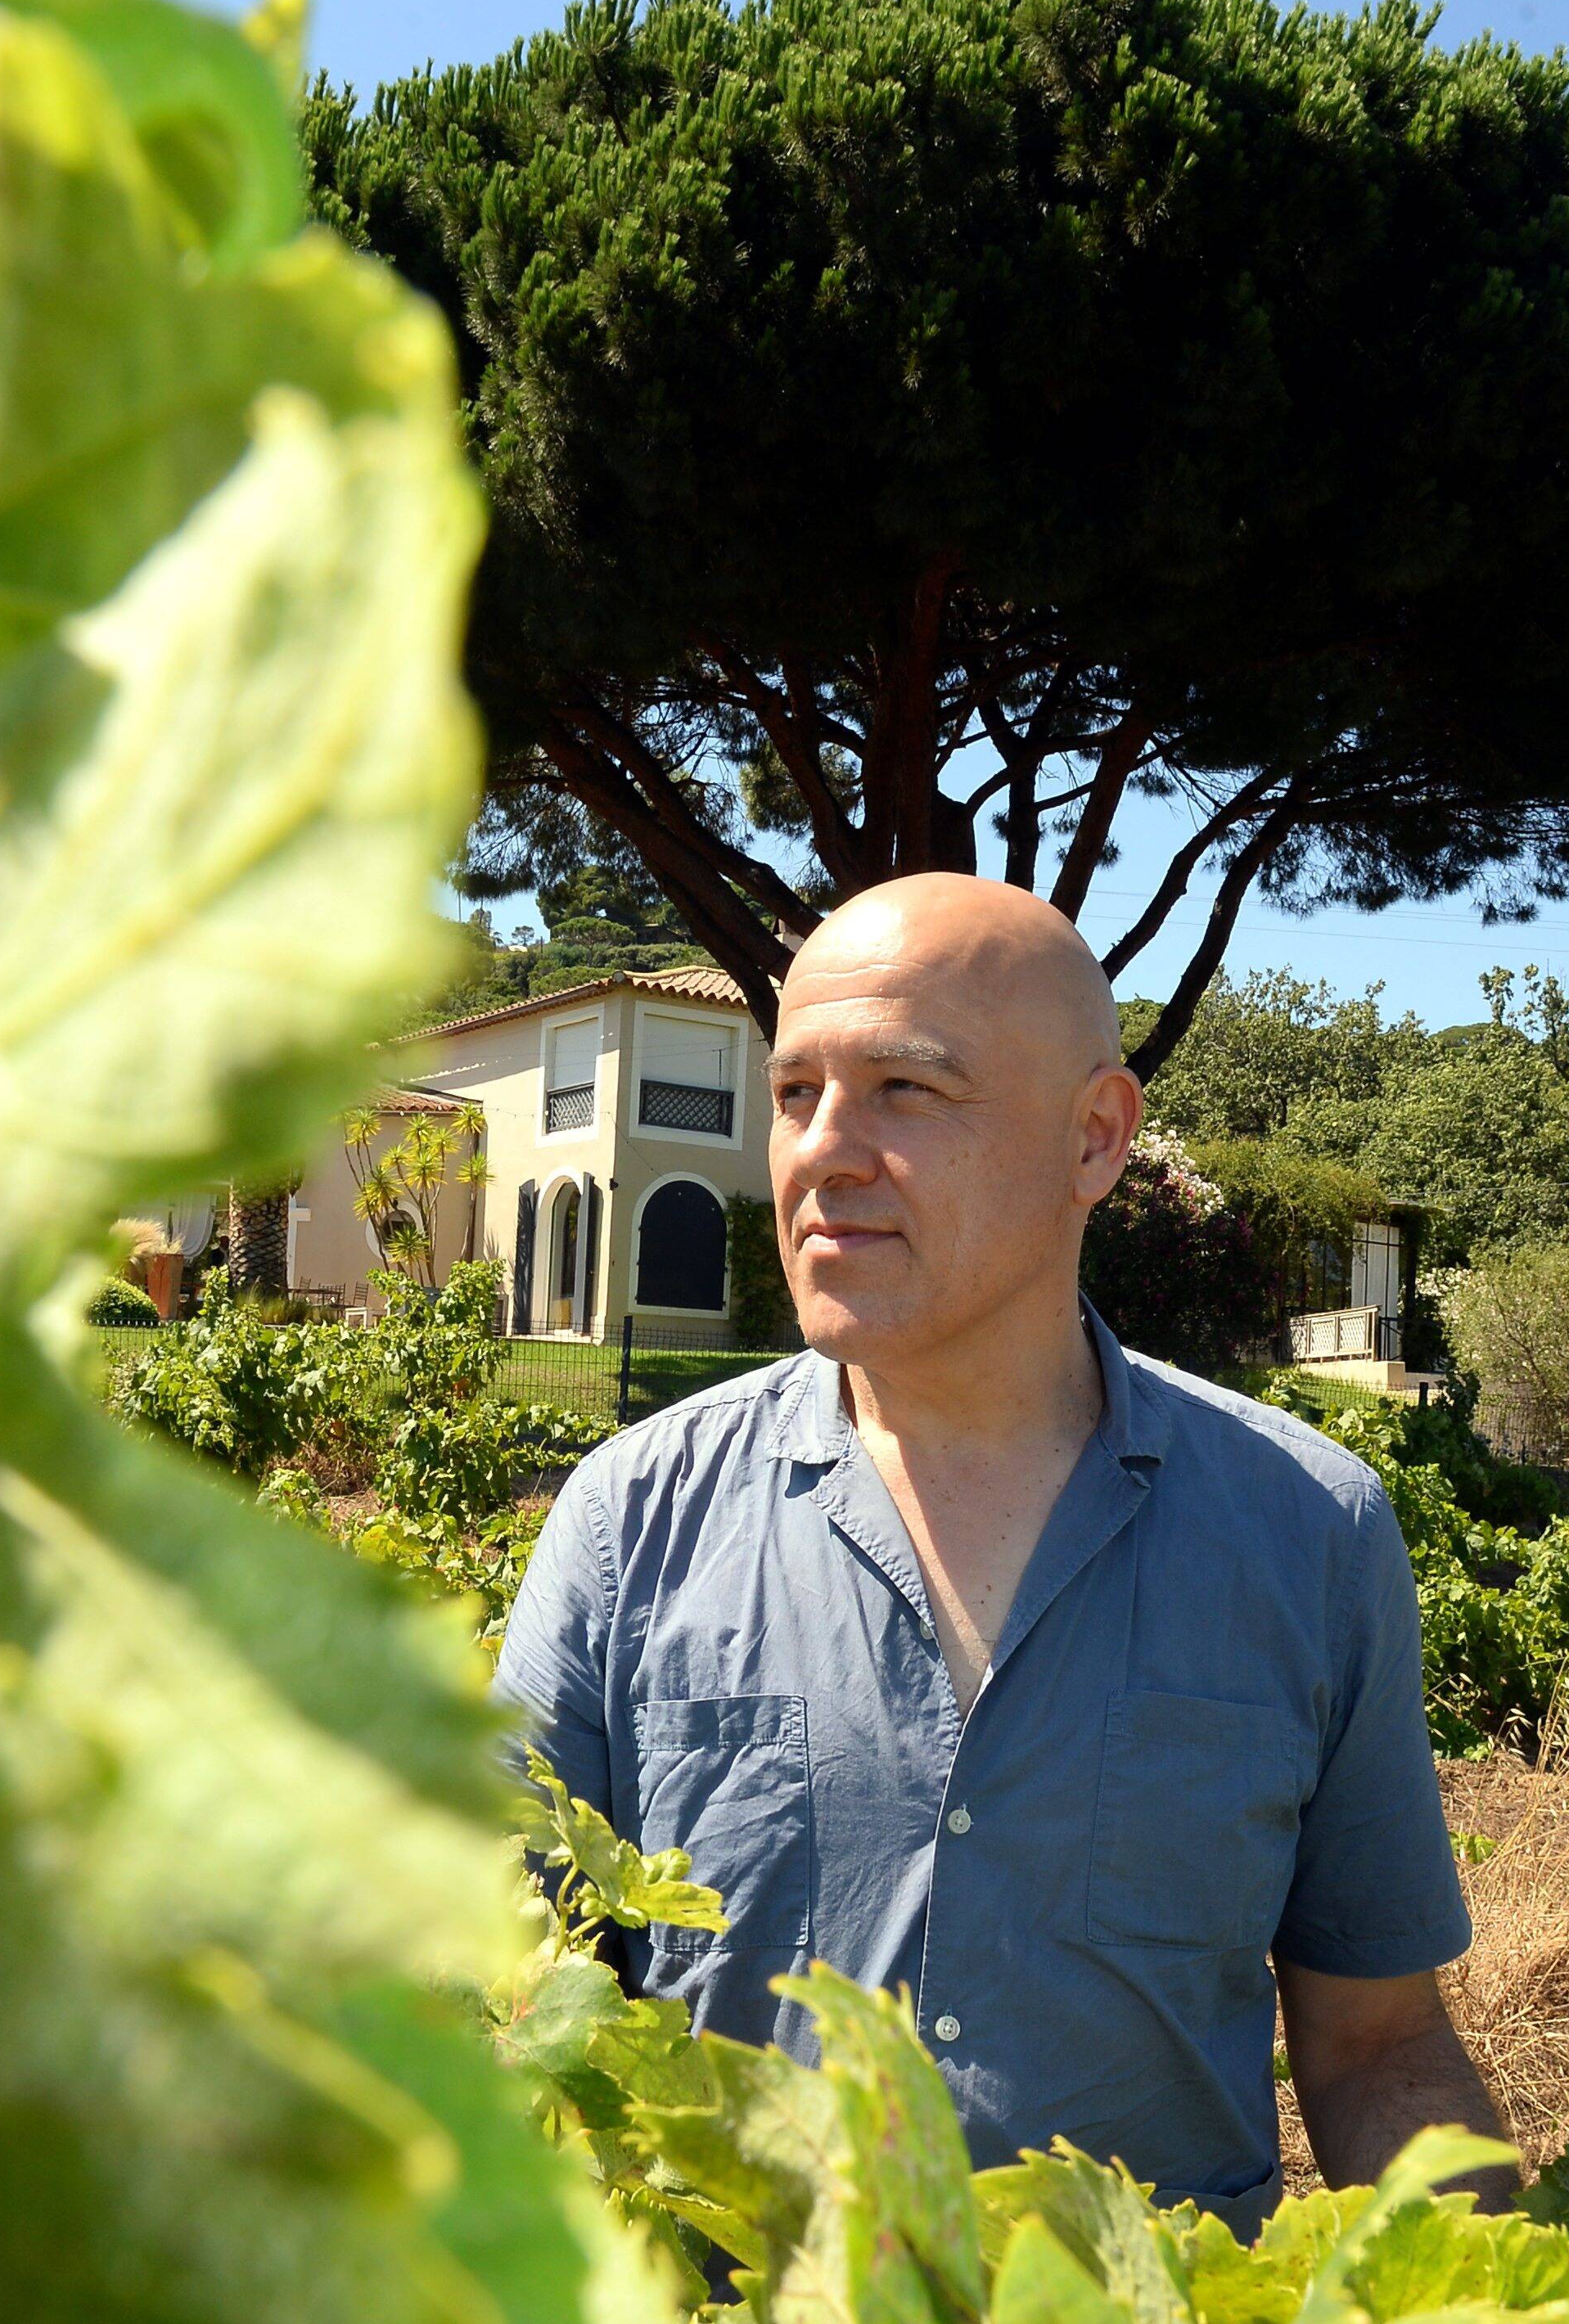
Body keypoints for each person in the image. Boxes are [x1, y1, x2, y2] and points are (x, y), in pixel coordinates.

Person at [497, 873, 1510, 2229]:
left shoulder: (1308, 1534)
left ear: (1094, 1139)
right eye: (797, 1093)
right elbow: (505, 1993)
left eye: (907, 1091)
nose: (822, 1154)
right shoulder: (631, 1522)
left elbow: (1378, 2043)